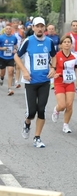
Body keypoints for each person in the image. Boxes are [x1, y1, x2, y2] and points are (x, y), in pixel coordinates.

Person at [14, 17, 57, 148]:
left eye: (41, 26)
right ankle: (27, 123)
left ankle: (37, 137)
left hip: (44, 81)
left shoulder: (49, 42)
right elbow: (16, 56)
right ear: (32, 28)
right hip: (31, 82)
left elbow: (54, 56)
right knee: (32, 112)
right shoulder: (28, 41)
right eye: (37, 26)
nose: (39, 28)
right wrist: (24, 71)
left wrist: (53, 68)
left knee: (41, 110)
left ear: (44, 28)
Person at [51, 35, 77, 133]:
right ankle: (56, 110)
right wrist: (54, 74)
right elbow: (52, 68)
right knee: (62, 105)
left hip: (69, 82)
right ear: (61, 45)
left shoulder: (75, 56)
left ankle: (66, 125)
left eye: (68, 42)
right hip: (59, 82)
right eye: (64, 42)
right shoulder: (56, 56)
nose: (67, 44)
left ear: (71, 44)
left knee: (69, 105)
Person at [0, 24, 18, 95]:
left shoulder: (14, 37)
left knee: (10, 72)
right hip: (2, 57)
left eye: (9, 29)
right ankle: (1, 78)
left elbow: (15, 45)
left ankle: (9, 89)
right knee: (2, 73)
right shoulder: (1, 37)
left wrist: (15, 49)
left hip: (11, 57)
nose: (8, 30)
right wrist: (2, 49)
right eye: (6, 29)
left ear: (11, 30)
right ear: (5, 30)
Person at [46, 24, 60, 89]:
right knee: (50, 68)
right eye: (49, 29)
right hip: (47, 55)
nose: (51, 30)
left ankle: (54, 82)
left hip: (55, 55)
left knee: (55, 68)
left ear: (54, 30)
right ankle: (51, 82)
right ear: (47, 30)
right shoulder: (45, 37)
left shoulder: (57, 37)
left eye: (52, 29)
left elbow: (60, 46)